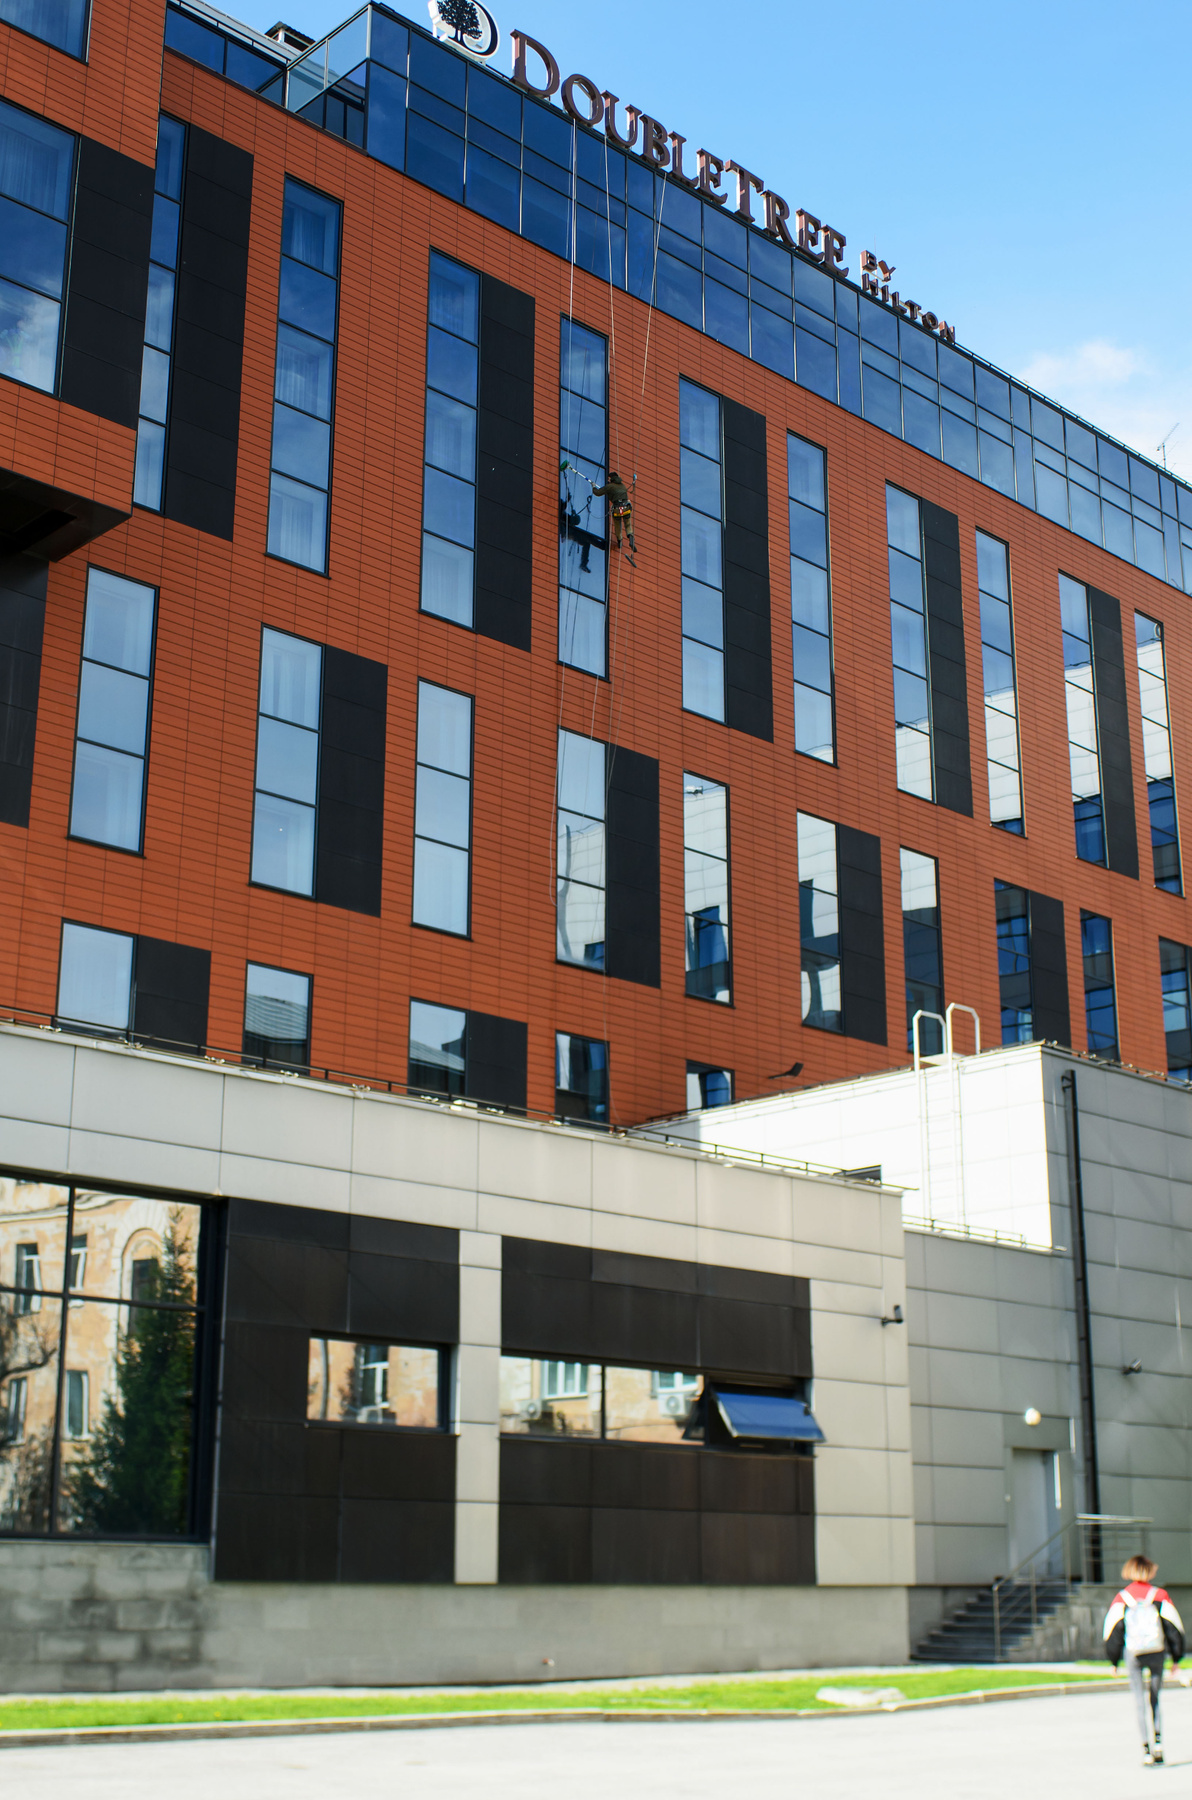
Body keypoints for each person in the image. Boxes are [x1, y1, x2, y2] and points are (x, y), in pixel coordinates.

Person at [1103, 1554, 1185, 1765]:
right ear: (1149, 1571)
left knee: (1139, 1701)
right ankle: (1158, 1744)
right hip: (1157, 1652)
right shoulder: (1160, 1595)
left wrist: (1114, 1661)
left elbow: (1113, 1630)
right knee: (1155, 1699)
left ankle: (1146, 1750)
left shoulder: (1123, 1597)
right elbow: (1173, 1627)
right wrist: (1176, 1658)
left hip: (1134, 1654)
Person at [592, 471, 635, 552]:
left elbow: (597, 493)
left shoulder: (609, 486)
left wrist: (594, 486)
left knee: (617, 525)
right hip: (626, 507)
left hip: (617, 509)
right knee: (628, 524)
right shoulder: (622, 485)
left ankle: (619, 540)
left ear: (611, 478)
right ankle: (630, 537)